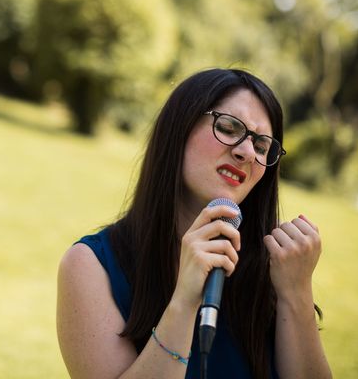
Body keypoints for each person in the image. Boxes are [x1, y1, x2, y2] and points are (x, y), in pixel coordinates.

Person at [56, 69, 332, 379]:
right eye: (228, 128)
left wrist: (296, 293)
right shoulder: (90, 266)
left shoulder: (276, 268)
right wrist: (185, 300)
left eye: (261, 146)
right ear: (179, 128)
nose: (245, 152)